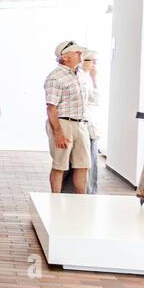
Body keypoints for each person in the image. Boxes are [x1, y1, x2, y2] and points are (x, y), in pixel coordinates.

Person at [45, 40, 91, 193]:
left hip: (81, 124)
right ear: (64, 57)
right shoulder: (55, 77)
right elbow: (51, 108)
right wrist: (58, 133)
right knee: (60, 166)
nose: (80, 54)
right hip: (63, 124)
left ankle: (81, 202)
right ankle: (55, 199)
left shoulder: (81, 74)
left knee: (83, 165)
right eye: (76, 52)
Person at [81, 48, 103, 194]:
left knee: (91, 160)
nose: (95, 64)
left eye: (96, 61)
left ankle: (90, 192)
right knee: (86, 161)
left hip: (91, 123)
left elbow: (96, 100)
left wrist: (95, 79)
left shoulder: (88, 77)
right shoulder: (80, 77)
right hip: (84, 123)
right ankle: (87, 192)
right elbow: (91, 100)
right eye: (92, 61)